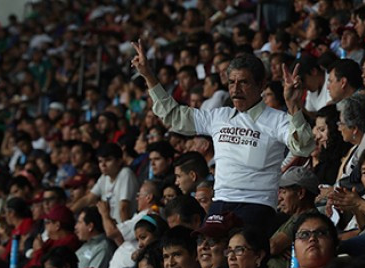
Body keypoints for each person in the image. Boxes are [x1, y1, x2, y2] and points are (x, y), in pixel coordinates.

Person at [132, 46, 314, 235]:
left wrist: (293, 106)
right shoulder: (219, 116)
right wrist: (148, 75)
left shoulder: (277, 119)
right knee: (205, 253)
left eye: (244, 82)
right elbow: (174, 116)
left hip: (257, 205)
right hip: (219, 204)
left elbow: (304, 146)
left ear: (261, 85)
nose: (235, 89)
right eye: (231, 82)